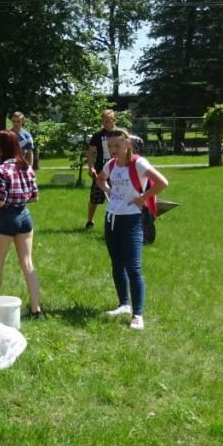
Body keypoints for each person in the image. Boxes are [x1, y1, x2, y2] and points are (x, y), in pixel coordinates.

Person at [95, 128, 168, 330]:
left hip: (132, 221)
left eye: (117, 146)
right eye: (110, 147)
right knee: (117, 264)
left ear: (127, 145)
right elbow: (100, 179)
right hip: (111, 220)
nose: (113, 150)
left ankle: (137, 315)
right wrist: (109, 192)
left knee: (133, 268)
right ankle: (123, 305)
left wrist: (142, 198)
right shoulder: (111, 164)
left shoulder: (138, 163)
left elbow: (163, 182)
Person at [0, 130, 43, 319]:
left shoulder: (0, 170)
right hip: (25, 217)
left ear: (1, 148)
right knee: (28, 264)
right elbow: (35, 197)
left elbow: (0, 201)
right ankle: (36, 310)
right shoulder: (27, 166)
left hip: (6, 218)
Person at [85, 109, 118, 230]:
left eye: (108, 121)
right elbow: (90, 153)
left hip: (118, 171)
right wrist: (91, 168)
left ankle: (116, 222)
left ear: (114, 120)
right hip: (101, 172)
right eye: (104, 121)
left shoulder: (120, 134)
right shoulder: (98, 135)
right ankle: (90, 221)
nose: (106, 123)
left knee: (118, 197)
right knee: (95, 198)